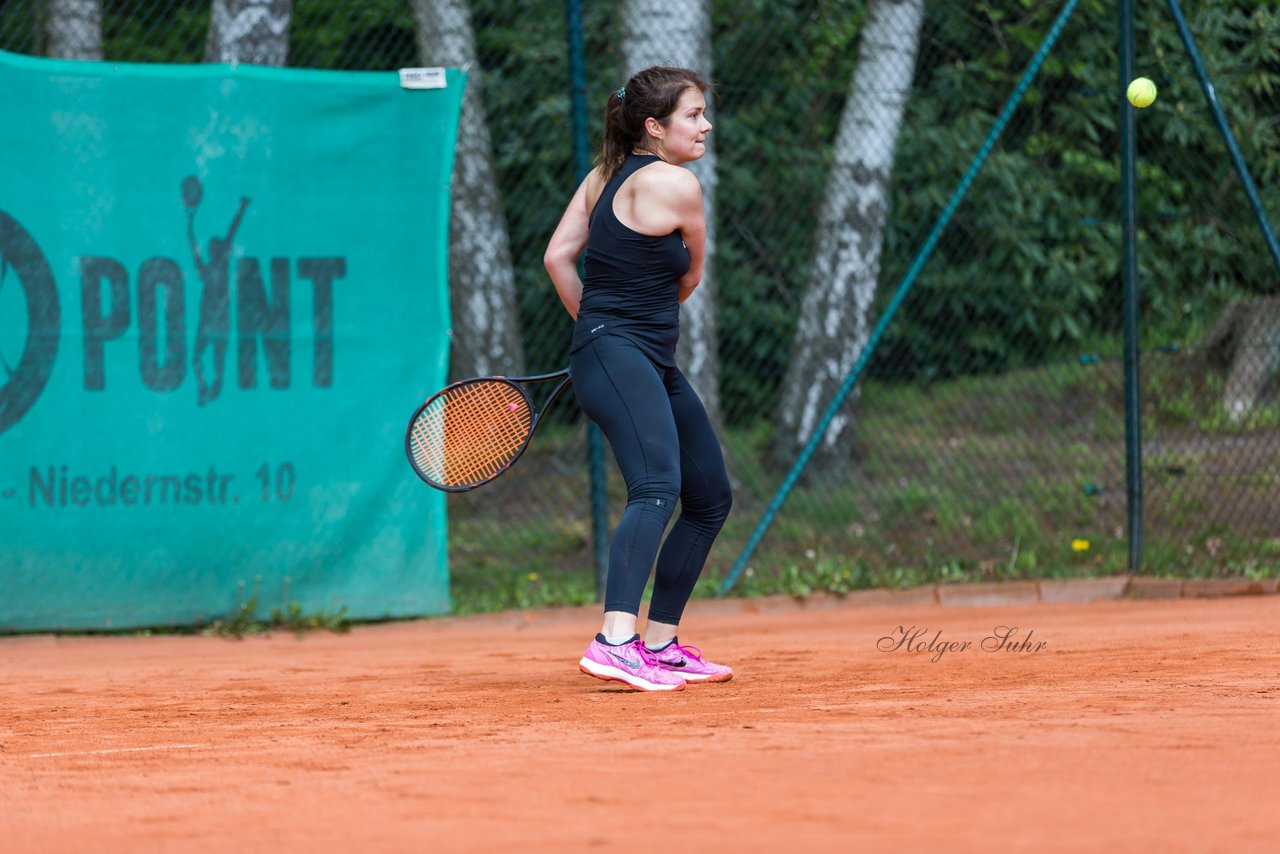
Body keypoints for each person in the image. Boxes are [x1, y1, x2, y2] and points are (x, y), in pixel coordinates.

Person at [543, 67, 734, 692]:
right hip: (623, 355)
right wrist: (609, 340)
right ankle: (615, 642)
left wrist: (596, 332)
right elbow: (689, 279)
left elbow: (557, 256)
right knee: (656, 488)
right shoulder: (679, 185)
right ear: (655, 127)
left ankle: (661, 643)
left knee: (708, 497)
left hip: (631, 357)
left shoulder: (602, 176)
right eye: (693, 115)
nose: (705, 125)